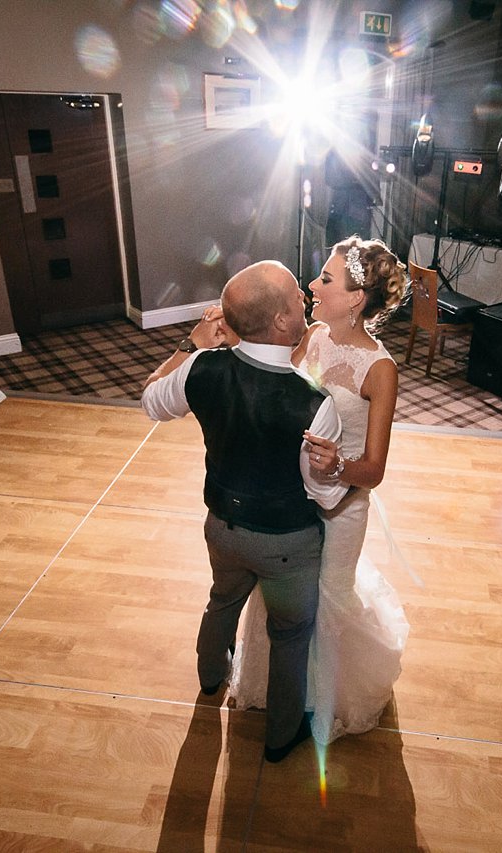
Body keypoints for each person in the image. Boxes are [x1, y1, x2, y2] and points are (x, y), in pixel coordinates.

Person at [141, 260, 349, 764]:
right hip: (287, 547)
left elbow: (151, 401)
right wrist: (344, 476)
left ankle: (210, 678)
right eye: (298, 298)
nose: (305, 299)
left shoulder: (200, 368)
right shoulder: (315, 405)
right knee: (291, 635)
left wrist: (192, 343)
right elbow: (324, 496)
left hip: (223, 529)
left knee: (222, 601)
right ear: (280, 321)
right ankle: (279, 738)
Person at [229, 236, 411, 746]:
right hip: (290, 499)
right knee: (282, 597)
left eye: (326, 279)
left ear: (356, 298)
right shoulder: (310, 337)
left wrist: (338, 465)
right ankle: (278, 687)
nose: (312, 284)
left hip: (341, 510)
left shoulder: (380, 370)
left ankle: (322, 702)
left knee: (328, 602)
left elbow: (374, 469)